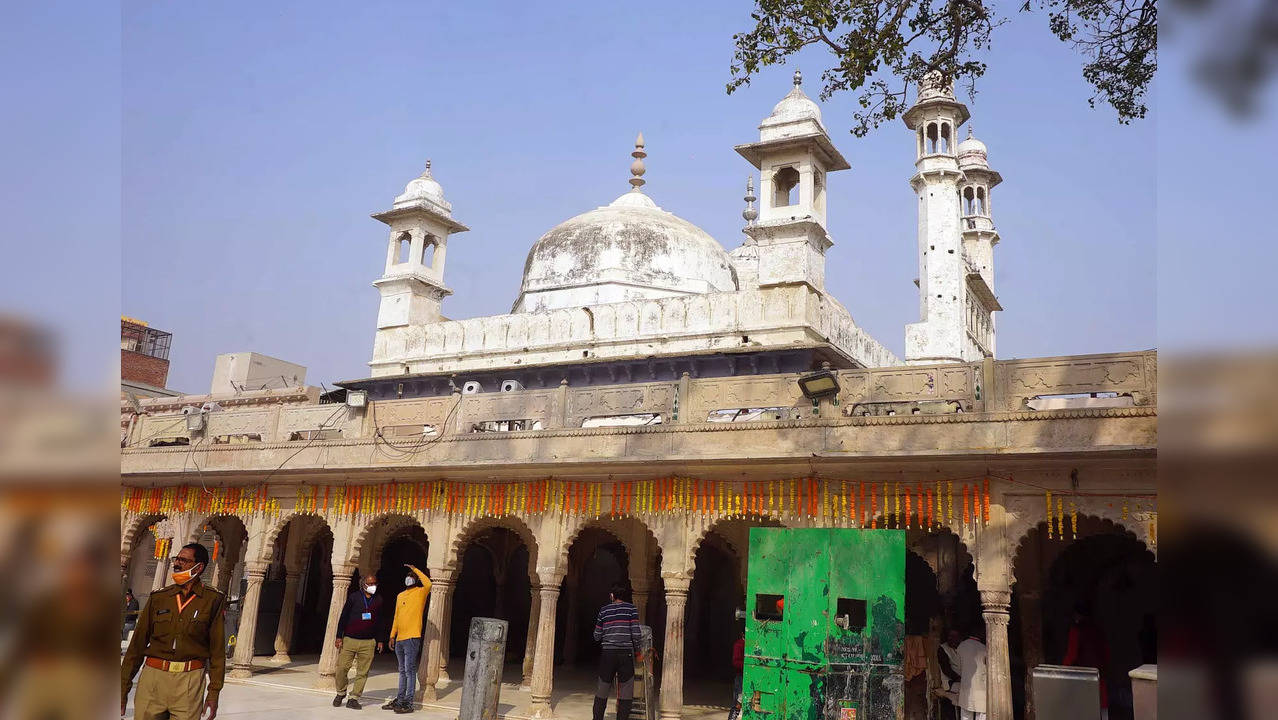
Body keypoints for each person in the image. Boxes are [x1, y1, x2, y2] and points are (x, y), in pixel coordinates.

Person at [121, 542, 226, 720]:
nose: (177, 564)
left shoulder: (212, 600)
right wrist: (123, 688)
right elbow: (136, 646)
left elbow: (217, 651)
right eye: (176, 559)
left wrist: (214, 692)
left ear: (199, 567)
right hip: (153, 678)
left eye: (184, 560)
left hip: (189, 681)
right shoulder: (160, 598)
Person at [333, 573, 386, 710]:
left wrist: (380, 640)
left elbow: (381, 621)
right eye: (370, 584)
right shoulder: (354, 597)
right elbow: (344, 617)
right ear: (363, 584)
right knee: (341, 668)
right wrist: (339, 636)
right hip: (350, 639)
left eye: (375, 583)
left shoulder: (378, 599)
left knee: (363, 672)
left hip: (368, 642)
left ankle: (354, 697)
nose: (373, 586)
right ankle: (341, 692)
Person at [384, 564, 432, 714]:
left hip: (412, 637)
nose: (409, 578)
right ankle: (400, 699)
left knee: (410, 670)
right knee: (402, 670)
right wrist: (392, 635)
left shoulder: (420, 592)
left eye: (412, 577)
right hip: (400, 638)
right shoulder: (400, 595)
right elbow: (396, 617)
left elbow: (429, 583)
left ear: (416, 579)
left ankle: (408, 702)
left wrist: (416, 569)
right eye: (408, 576)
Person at [591, 584, 643, 720]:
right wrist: (638, 651)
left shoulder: (604, 610)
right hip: (626, 654)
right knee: (626, 690)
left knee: (603, 688)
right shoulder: (631, 609)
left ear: (612, 596)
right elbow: (636, 634)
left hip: (608, 654)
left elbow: (596, 635)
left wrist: (606, 635)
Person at [1062, 603, 1111, 719]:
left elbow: (1071, 654)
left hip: (1083, 677)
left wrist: (1062, 671)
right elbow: (1107, 653)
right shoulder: (1098, 630)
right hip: (1099, 675)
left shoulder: (1076, 630)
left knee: (1084, 709)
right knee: (1102, 708)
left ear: (1077, 615)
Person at [955, 627, 987, 720]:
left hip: (966, 685)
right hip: (981, 687)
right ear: (980, 633)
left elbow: (958, 667)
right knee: (981, 714)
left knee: (966, 713)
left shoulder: (961, 646)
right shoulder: (984, 648)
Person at [936, 628, 962, 719]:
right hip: (950, 682)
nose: (952, 639)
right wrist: (959, 678)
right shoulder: (943, 649)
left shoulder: (961, 648)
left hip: (962, 681)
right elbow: (946, 669)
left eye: (955, 636)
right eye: (950, 636)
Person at [728, 629, 745, 720]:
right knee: (737, 703)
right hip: (741, 677)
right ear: (742, 634)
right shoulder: (739, 644)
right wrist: (747, 666)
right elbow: (736, 662)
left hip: (747, 677)